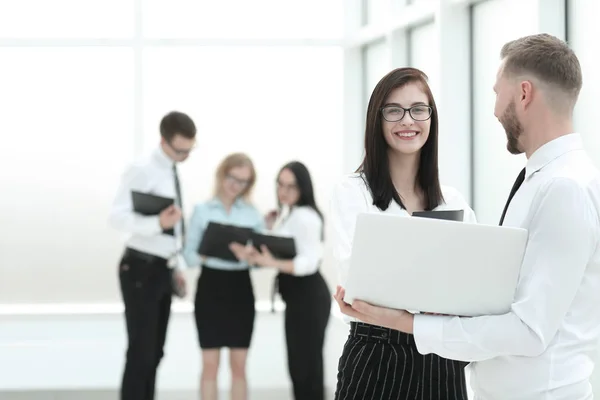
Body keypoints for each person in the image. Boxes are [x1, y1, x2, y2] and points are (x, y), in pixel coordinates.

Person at [335, 33, 600, 399]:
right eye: (393, 110)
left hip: (476, 371)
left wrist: (408, 317)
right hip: (385, 357)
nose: (493, 109)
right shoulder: (542, 180)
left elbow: (523, 323)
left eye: (497, 93)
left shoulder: (561, 187)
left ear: (523, 94)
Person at [329, 67, 477, 399]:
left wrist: (405, 295)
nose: (407, 120)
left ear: (431, 118)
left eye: (418, 109)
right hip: (377, 354)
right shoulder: (354, 192)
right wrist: (435, 299)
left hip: (442, 356)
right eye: (394, 110)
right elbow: (360, 285)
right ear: (377, 121)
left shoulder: (452, 201)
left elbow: (471, 285)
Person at [109, 111, 197, 400]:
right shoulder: (142, 168)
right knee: (141, 353)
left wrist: (176, 266)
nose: (185, 155)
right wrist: (157, 223)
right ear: (163, 140)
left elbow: (173, 230)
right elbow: (117, 217)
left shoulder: (171, 168)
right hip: (139, 268)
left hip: (161, 268)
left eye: (189, 149)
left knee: (155, 352)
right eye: (180, 150)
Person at [232, 161, 331, 400]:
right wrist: (269, 229)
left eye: (291, 186)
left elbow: (308, 263)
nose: (283, 191)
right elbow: (286, 248)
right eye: (280, 185)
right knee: (299, 366)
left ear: (303, 188)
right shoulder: (291, 214)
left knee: (306, 368)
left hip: (309, 297)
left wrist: (270, 263)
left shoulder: (305, 217)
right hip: (300, 299)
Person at [182, 152, 263, 400]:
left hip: (240, 289)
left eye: (243, 181)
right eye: (232, 178)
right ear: (222, 174)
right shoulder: (202, 211)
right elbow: (189, 257)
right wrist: (212, 249)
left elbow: (260, 261)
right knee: (210, 366)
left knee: (239, 366)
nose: (235, 185)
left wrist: (249, 255)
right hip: (210, 288)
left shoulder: (252, 214)